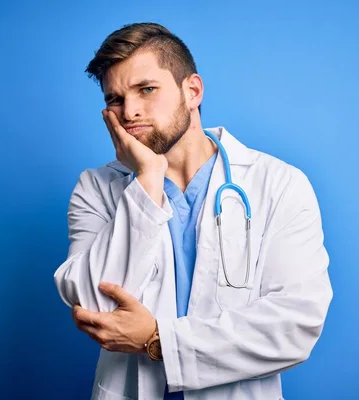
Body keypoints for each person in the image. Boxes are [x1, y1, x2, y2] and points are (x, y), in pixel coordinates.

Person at [53, 22, 333, 400]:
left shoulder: (279, 184)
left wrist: (157, 339)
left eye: (146, 89)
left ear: (192, 91)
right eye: (114, 100)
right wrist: (148, 179)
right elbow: (95, 308)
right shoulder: (97, 188)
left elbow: (295, 325)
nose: (130, 111)